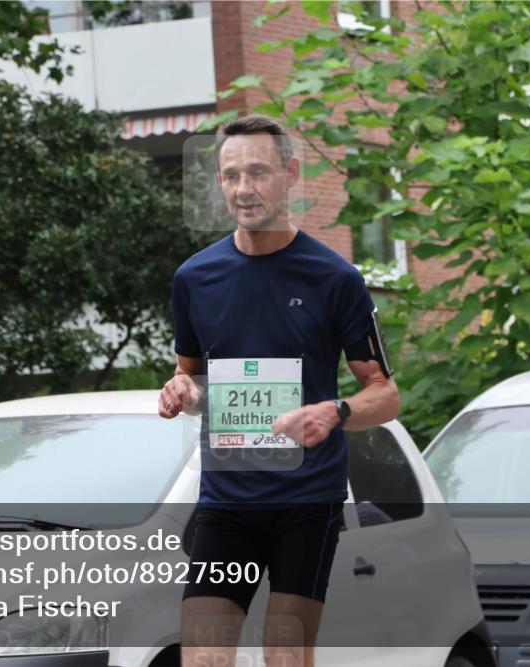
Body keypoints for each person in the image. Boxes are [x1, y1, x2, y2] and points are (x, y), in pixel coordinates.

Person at [159, 115, 401, 667]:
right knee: (202, 658)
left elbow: (384, 395)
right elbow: (188, 375)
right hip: (226, 500)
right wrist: (181, 391)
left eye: (259, 172)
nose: (243, 189)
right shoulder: (195, 278)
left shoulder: (335, 279)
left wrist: (336, 411)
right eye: (231, 175)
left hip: (306, 501)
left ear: (290, 175)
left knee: (284, 656)